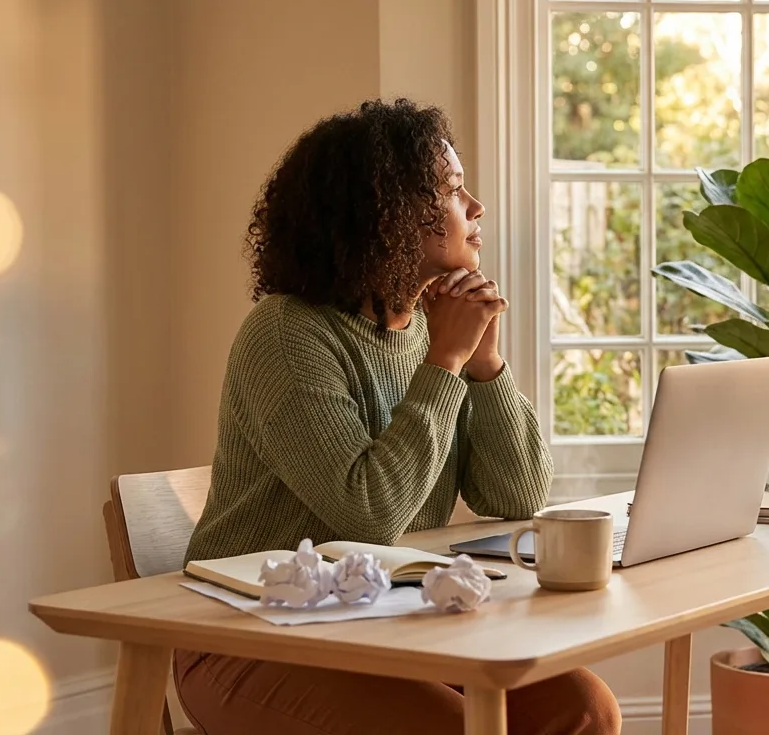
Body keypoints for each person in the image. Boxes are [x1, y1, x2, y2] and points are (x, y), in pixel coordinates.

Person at [175, 98, 621, 735]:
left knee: (584, 709)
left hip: (384, 620)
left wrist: (484, 365)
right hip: (247, 636)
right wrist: (446, 361)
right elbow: (371, 512)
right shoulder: (287, 336)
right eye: (454, 191)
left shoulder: (433, 333)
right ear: (390, 217)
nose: (476, 208)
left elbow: (515, 493)